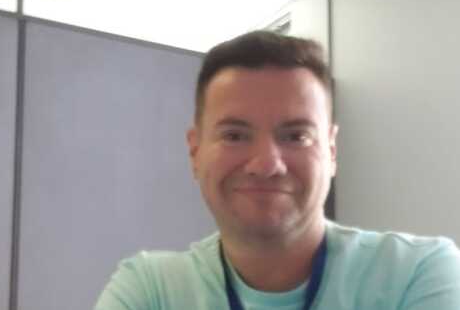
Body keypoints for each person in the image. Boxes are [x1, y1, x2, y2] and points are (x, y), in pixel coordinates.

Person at [95, 31, 460, 310]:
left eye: (296, 136)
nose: (266, 164)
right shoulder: (150, 290)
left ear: (331, 151)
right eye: (235, 135)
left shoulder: (416, 273)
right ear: (195, 151)